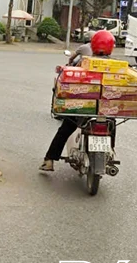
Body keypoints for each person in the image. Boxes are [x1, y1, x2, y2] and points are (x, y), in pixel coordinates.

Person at [40, 30, 116, 171]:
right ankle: (111, 150)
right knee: (111, 125)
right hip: (106, 109)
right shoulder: (118, 67)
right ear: (112, 47)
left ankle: (49, 159)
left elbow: (69, 78)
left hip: (83, 108)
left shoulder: (83, 63)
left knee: (65, 129)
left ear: (92, 46)